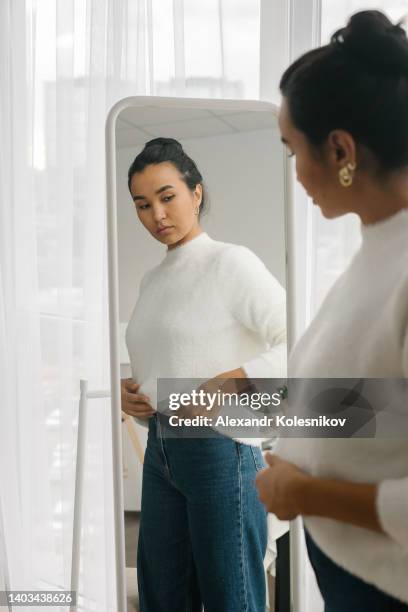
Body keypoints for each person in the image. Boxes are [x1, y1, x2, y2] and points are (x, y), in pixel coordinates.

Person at [255, 10, 408, 612]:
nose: (296, 173)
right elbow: (379, 403)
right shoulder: (378, 249)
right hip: (351, 571)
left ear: (341, 148)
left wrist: (306, 491)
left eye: (293, 149)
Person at [121, 137, 287, 612]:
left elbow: (300, 340)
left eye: (167, 196)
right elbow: (162, 364)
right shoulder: (152, 280)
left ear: (196, 193)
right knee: (163, 597)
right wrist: (132, 398)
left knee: (229, 598)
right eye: (143, 205)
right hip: (162, 450)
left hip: (222, 448)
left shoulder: (230, 263)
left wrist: (237, 378)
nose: (157, 215)